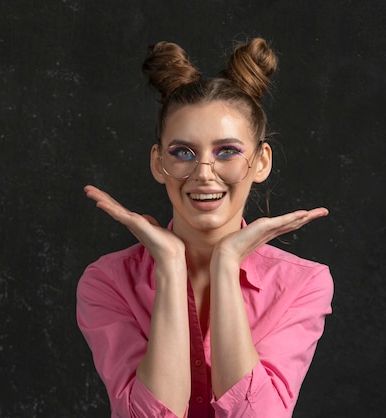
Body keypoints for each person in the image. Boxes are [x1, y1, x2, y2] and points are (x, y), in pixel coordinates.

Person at [76, 37, 334, 418]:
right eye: (183, 152)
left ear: (261, 162)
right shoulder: (106, 281)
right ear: (158, 162)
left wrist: (227, 263)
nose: (203, 174)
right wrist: (169, 265)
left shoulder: (303, 284)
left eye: (227, 151)